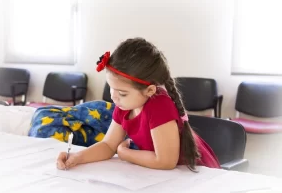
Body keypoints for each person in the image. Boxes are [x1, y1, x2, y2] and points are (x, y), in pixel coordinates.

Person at [56, 37, 220, 171]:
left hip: (194, 174)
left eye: (122, 93)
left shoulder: (159, 106)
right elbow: (108, 145)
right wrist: (78, 157)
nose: (114, 97)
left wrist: (123, 152)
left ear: (149, 90)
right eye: (111, 88)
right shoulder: (125, 105)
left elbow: (165, 161)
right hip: (163, 176)